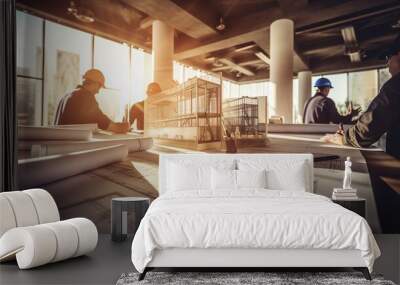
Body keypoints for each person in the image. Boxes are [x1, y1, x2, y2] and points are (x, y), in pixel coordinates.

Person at [322, 35, 400, 159]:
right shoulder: (327, 101)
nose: (387, 65)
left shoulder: (396, 85)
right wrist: (351, 116)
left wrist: (342, 138)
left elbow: (366, 131)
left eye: (388, 58)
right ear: (326, 89)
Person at [54, 69, 130, 133]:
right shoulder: (85, 96)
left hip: (58, 144)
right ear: (95, 83)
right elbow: (102, 122)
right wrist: (123, 127)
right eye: (99, 87)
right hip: (70, 146)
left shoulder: (67, 95)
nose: (98, 91)